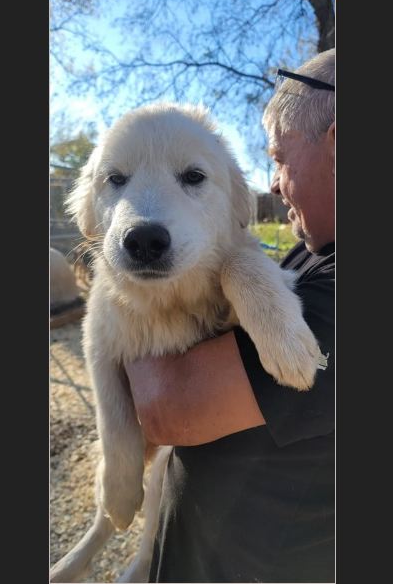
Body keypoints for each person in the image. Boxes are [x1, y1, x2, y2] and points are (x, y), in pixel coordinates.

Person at [125, 48, 335, 583]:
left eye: (279, 157)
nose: (273, 181)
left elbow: (167, 409)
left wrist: (129, 301)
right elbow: (229, 264)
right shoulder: (315, 248)